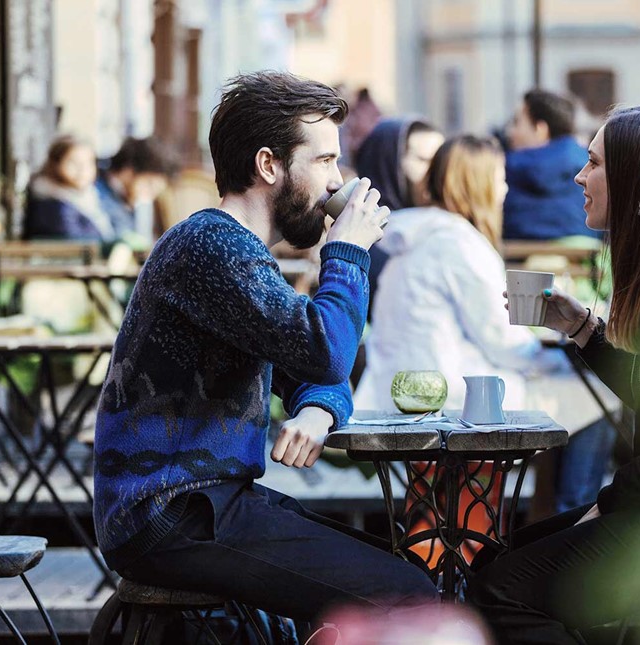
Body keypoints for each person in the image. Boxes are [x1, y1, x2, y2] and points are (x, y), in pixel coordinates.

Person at [92, 71, 439, 622]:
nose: (337, 182)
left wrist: (321, 410)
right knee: (409, 598)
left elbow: (321, 369)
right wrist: (346, 253)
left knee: (405, 578)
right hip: (170, 513)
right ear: (269, 165)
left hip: (203, 505)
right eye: (325, 161)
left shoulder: (237, 253)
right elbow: (327, 349)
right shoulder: (211, 246)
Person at [468, 105, 640, 644]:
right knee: (497, 564)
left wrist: (610, 503)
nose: (578, 175)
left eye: (593, 163)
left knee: (496, 589)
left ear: (639, 177)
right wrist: (581, 329)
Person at [353, 135, 567, 412]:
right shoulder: (458, 243)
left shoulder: (417, 236)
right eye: (499, 180)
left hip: (392, 392)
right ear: (478, 185)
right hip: (444, 397)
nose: (504, 191)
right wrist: (562, 358)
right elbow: (500, 339)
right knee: (579, 392)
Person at [353, 118, 444, 307]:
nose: (436, 172)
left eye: (441, 161)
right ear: (387, 161)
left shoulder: (446, 225)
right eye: (424, 160)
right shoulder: (358, 230)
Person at [502, 89, 597, 241]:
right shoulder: (592, 167)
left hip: (515, 261)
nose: (510, 132)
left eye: (517, 123)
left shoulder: (504, 170)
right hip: (586, 260)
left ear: (540, 129)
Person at [24, 135, 116, 242]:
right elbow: (73, 241)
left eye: (88, 163)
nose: (82, 170)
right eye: (73, 163)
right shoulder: (52, 205)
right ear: (55, 165)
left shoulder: (91, 196)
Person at [94, 136, 180, 243]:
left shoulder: (124, 199)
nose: (150, 195)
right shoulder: (93, 190)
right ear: (128, 171)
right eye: (149, 184)